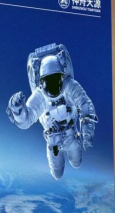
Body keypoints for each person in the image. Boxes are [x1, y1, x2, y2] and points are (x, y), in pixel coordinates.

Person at [6, 44, 97, 180]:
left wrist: (87, 131)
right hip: (54, 142)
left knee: (77, 163)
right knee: (57, 174)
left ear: (61, 77)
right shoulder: (40, 96)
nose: (53, 84)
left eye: (55, 79)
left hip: (71, 136)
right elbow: (26, 121)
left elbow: (85, 103)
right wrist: (18, 110)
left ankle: (74, 153)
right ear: (42, 82)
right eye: (49, 81)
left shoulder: (69, 86)